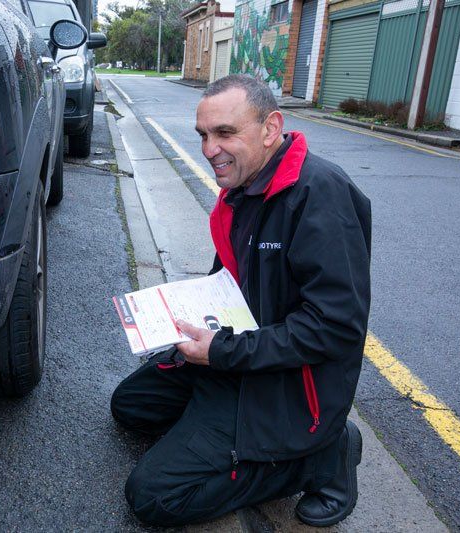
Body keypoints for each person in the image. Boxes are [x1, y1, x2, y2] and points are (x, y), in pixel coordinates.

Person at [110, 74, 372, 527]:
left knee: (153, 497)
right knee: (131, 405)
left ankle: (320, 457)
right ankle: (218, 432)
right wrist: (183, 319)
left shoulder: (319, 196)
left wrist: (222, 351)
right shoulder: (244, 185)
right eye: (203, 135)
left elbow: (335, 327)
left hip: (287, 384)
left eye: (225, 133)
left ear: (271, 128)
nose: (209, 149)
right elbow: (232, 281)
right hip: (239, 355)